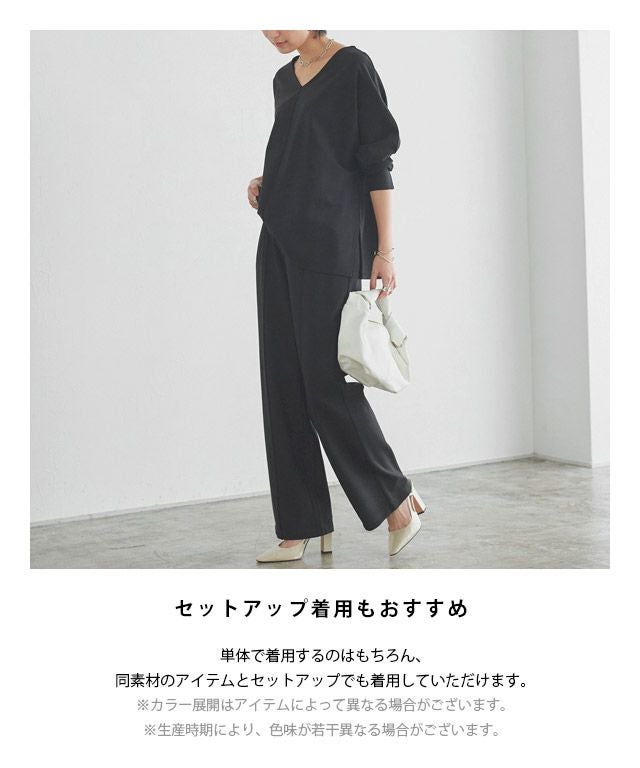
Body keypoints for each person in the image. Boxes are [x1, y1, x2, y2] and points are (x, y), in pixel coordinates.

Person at [249, 30, 428, 563]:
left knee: (326, 380)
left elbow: (376, 163)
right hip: (279, 238)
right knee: (282, 382)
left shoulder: (352, 67)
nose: (272, 31)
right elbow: (309, 156)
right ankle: (298, 525)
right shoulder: (284, 80)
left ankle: (396, 499)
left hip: (332, 243)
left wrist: (385, 250)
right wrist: (266, 182)